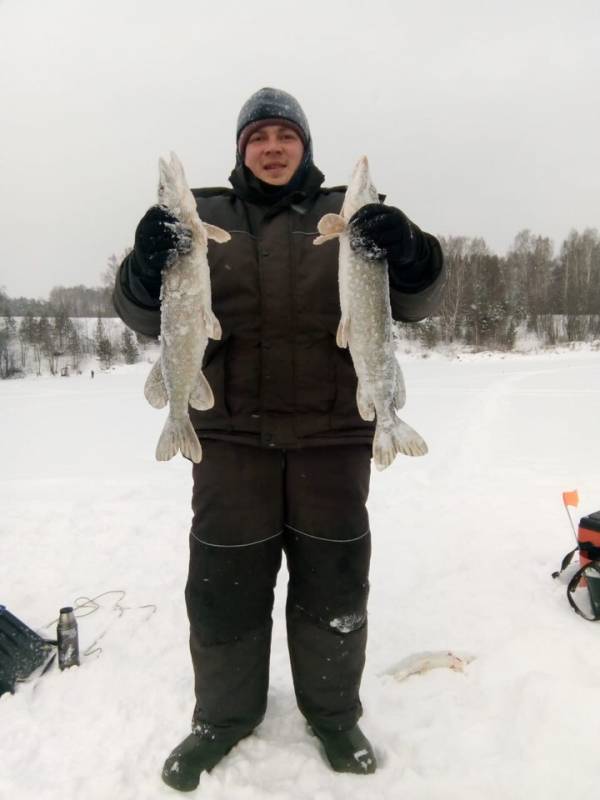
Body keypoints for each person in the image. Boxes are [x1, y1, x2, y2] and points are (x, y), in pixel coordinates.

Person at [113, 87, 446, 791]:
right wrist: (145, 264)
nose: (271, 148)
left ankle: (333, 715)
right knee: (222, 587)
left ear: (304, 146)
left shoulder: (346, 217)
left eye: (284, 136)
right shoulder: (203, 218)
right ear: (241, 149)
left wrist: (411, 251)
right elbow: (149, 317)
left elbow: (413, 303)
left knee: (334, 585)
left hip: (333, 436)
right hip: (230, 438)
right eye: (258, 137)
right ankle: (222, 719)